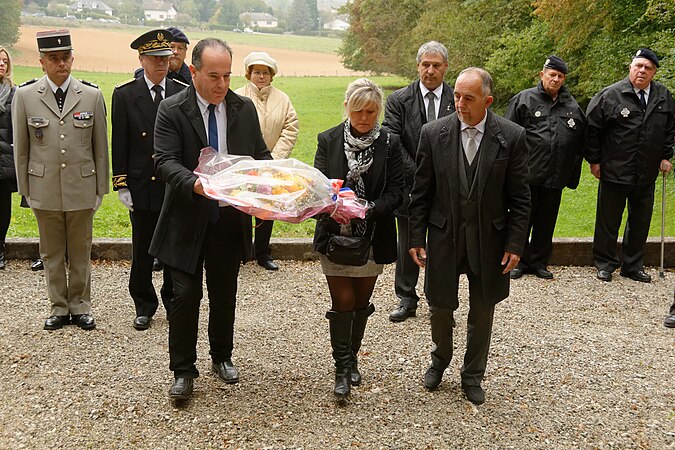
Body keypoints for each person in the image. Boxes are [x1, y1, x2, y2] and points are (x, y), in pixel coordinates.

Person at [150, 38, 271, 401]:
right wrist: (197, 185)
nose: (221, 85)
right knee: (185, 297)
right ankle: (183, 370)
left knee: (224, 293)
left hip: (228, 222)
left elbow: (259, 156)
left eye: (227, 76)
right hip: (185, 220)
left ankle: (222, 356)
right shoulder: (173, 110)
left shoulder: (243, 108)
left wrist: (278, 187)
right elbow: (164, 160)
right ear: (194, 71)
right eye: (213, 76)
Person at [408, 68, 530, 405]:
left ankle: (473, 374)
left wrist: (515, 244)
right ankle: (439, 359)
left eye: (468, 98)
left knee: (483, 310)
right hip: (444, 236)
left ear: (488, 101)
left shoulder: (512, 136)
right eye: (457, 96)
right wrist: (416, 237)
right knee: (439, 305)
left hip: (489, 241)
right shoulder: (433, 134)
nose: (459, 103)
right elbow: (420, 193)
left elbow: (521, 198)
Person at [12, 29, 109, 330]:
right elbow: (22, 149)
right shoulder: (25, 96)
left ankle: (80, 305)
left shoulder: (91, 95)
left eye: (65, 57)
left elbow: (100, 148)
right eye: (53, 59)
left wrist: (100, 190)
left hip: (81, 185)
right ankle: (58, 306)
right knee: (51, 252)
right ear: (42, 62)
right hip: (44, 186)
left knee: (80, 249)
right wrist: (25, 190)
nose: (61, 64)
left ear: (72, 59)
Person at [313, 77, 404, 398]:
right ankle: (341, 368)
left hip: (372, 236)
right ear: (346, 109)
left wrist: (368, 208)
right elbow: (319, 186)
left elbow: (397, 191)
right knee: (343, 302)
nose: (364, 118)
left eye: (370, 112)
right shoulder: (328, 140)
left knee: (362, 302)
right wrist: (337, 205)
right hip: (335, 234)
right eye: (358, 111)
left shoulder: (390, 143)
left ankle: (352, 359)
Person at [112, 30, 188, 331]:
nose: (161, 65)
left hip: (172, 183)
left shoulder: (182, 91)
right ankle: (144, 304)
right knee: (143, 248)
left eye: (165, 58)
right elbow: (120, 142)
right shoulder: (126, 94)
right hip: (143, 183)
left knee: (172, 247)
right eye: (154, 59)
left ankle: (173, 302)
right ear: (141, 59)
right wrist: (122, 183)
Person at [585, 48, 674, 283]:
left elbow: (668, 131)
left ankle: (632, 265)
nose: (642, 71)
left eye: (648, 68)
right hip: (614, 169)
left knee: (640, 221)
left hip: (646, 171)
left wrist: (667, 156)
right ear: (630, 67)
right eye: (639, 66)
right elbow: (592, 129)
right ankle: (605, 263)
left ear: (654, 72)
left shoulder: (663, 96)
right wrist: (594, 160)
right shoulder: (610, 95)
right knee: (608, 220)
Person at [383, 41, 455, 323]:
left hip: (447, 185)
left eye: (436, 65)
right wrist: (421, 172)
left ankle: (439, 300)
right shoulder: (399, 100)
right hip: (409, 183)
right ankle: (406, 297)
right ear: (418, 66)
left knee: (443, 243)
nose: (430, 70)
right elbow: (392, 140)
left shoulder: (457, 98)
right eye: (426, 64)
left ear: (445, 68)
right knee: (407, 243)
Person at [505, 56, 586, 280]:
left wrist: (571, 172)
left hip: (555, 175)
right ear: (542, 75)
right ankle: (517, 261)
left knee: (546, 221)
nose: (556, 79)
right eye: (552, 74)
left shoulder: (571, 104)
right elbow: (507, 135)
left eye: (560, 76)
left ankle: (539, 262)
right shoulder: (524, 100)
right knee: (523, 219)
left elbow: (579, 140)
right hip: (527, 175)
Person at [234, 51, 299, 271]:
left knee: (267, 209)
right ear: (248, 74)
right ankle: (241, 251)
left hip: (272, 163)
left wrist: (273, 159)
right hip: (244, 164)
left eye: (265, 73)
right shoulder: (236, 97)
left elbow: (291, 128)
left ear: (272, 76)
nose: (261, 77)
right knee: (241, 208)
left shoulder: (283, 99)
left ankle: (262, 252)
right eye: (256, 72)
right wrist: (247, 161)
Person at [0, 46, 16, 270]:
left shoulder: (14, 93)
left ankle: (0, 248)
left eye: (4, 61)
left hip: (4, 161)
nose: (2, 64)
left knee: (2, 208)